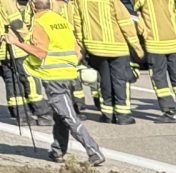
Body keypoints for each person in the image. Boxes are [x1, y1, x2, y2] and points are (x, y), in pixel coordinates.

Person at [4, 0, 104, 162]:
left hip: (54, 77)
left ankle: (93, 151)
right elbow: (76, 48)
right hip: (68, 74)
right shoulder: (60, 20)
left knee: (68, 116)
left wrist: (16, 43)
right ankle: (58, 150)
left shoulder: (40, 23)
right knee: (60, 115)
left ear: (32, 6)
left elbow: (40, 53)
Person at [68, 0, 139, 125]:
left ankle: (107, 115)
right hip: (117, 46)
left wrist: (82, 45)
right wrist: (137, 47)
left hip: (95, 47)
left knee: (104, 81)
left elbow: (78, 24)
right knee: (120, 80)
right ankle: (122, 115)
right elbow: (125, 23)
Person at [128, 0, 176, 118]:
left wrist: (143, 32)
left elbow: (135, 9)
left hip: (156, 43)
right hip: (174, 40)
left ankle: (170, 111)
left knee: (159, 77)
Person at [1, 0, 47, 128]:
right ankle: (42, 113)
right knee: (29, 79)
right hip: (16, 48)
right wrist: (27, 36)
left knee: (12, 81)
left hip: (4, 50)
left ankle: (21, 115)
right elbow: (16, 22)